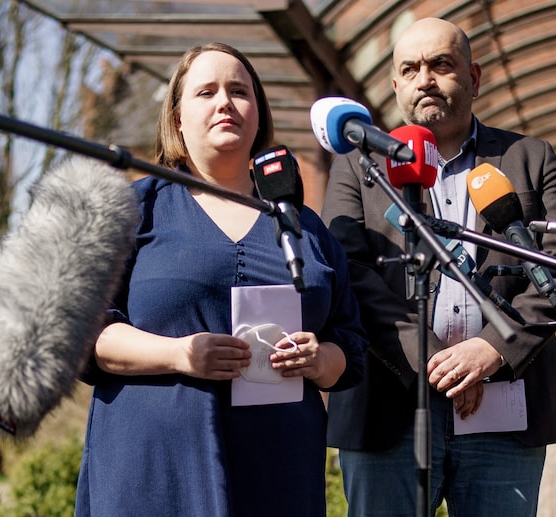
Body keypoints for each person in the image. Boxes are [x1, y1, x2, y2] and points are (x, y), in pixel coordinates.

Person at [74, 42, 368, 517]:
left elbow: (350, 352)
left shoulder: (306, 226)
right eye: (205, 92)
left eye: (239, 91)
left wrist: (316, 357)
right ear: (176, 119)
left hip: (278, 472)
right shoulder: (132, 210)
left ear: (258, 114)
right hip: (154, 472)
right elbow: (86, 334)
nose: (224, 103)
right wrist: (178, 353)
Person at [321, 17, 556, 517]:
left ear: (474, 77)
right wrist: (433, 361)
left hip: (506, 412)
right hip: (388, 411)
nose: (425, 78)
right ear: (396, 84)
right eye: (411, 68)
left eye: (441, 64)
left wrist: (490, 350)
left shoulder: (529, 157)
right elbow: (349, 271)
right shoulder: (357, 164)